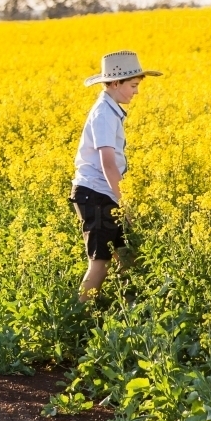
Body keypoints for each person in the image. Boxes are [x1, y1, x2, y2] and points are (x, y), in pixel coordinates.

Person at [71, 50, 162, 302]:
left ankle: (124, 306)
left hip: (105, 192)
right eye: (132, 86)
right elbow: (108, 163)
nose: (136, 91)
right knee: (99, 262)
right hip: (96, 194)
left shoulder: (111, 111)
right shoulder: (103, 114)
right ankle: (81, 318)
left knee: (125, 253)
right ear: (114, 83)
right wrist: (126, 204)